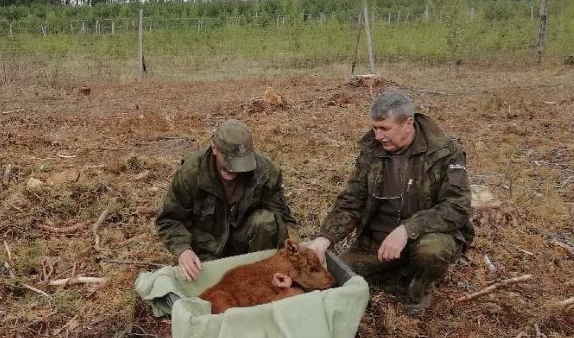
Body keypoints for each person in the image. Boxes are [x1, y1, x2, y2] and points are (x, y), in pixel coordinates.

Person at [308, 91, 474, 316]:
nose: (378, 136)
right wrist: (325, 237)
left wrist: (407, 229)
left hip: (428, 234)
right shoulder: (371, 150)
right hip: (379, 239)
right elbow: (352, 199)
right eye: (375, 128)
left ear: (408, 123)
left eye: (384, 128)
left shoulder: (444, 151)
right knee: (341, 275)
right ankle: (397, 271)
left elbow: (458, 206)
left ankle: (418, 288)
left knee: (430, 252)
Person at [156, 119, 299, 281]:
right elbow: (169, 220)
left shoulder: (263, 172)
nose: (234, 169)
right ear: (214, 149)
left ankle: (256, 274)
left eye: (240, 163)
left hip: (245, 241)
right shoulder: (191, 173)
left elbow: (281, 215)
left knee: (265, 221)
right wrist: (183, 250)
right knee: (210, 286)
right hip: (207, 247)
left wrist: (292, 252)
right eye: (228, 161)